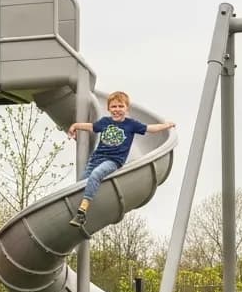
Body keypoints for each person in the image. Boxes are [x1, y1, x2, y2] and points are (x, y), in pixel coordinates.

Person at [65, 91, 175, 229]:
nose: (117, 110)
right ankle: (78, 212)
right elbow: (92, 127)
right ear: (109, 108)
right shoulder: (105, 122)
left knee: (96, 174)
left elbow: (150, 129)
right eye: (114, 107)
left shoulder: (131, 124)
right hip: (96, 158)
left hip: (113, 161)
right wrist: (75, 125)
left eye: (120, 106)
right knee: (81, 183)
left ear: (126, 108)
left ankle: (81, 213)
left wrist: (166, 125)